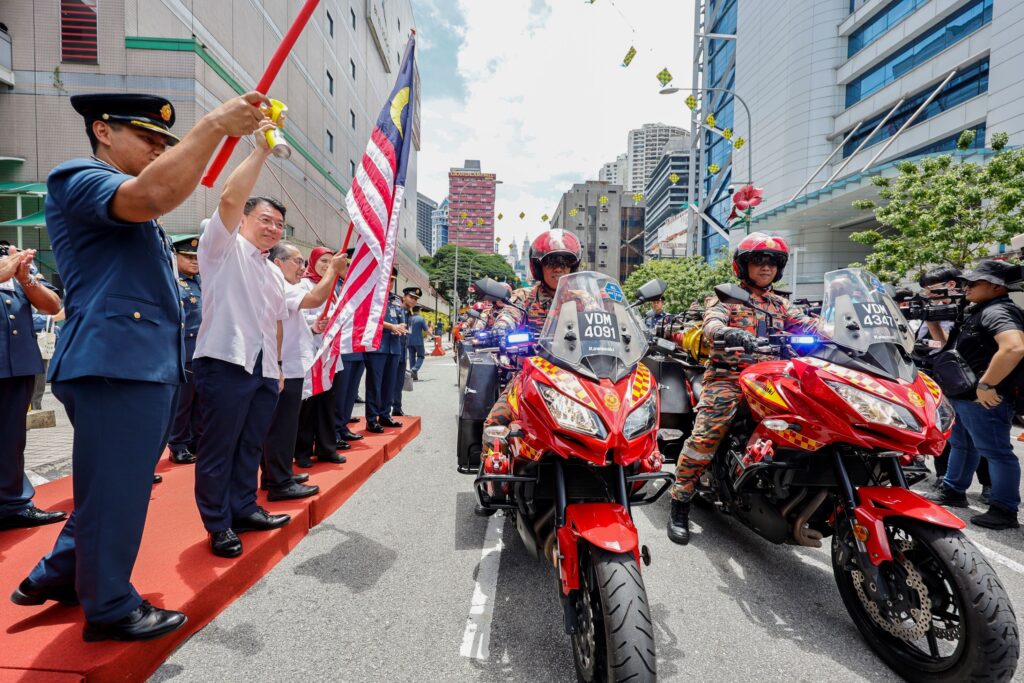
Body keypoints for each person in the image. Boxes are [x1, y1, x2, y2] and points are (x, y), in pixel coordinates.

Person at [14, 91, 267, 641]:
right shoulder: (78, 176)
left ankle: (56, 575)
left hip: (139, 364)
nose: (158, 150)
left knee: (114, 485)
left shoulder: (125, 195)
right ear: (103, 131)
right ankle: (108, 607)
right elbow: (153, 194)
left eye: (163, 142)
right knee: (117, 491)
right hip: (115, 362)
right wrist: (215, 126)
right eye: (148, 139)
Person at [667, 233, 819, 545]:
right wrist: (729, 334)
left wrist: (849, 331)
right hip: (730, 378)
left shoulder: (781, 305)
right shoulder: (728, 298)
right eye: (758, 260)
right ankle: (680, 500)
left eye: (772, 262)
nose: (766, 267)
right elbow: (712, 324)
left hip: (774, 379)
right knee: (707, 435)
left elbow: (812, 326)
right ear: (743, 265)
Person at [192, 127, 294, 559]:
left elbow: (275, 320)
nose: (272, 228)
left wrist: (279, 369)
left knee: (250, 444)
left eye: (279, 224)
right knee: (219, 447)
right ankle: (217, 524)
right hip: (225, 362)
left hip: (263, 370)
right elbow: (230, 198)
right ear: (246, 220)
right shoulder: (221, 247)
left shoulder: (273, 270)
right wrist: (260, 150)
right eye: (265, 220)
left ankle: (244, 508)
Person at [477, 230, 583, 515]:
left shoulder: (585, 299)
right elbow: (509, 314)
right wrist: (501, 328)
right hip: (529, 376)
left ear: (574, 266)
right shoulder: (525, 296)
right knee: (496, 421)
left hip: (578, 379)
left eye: (565, 261)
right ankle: (493, 485)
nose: (559, 267)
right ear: (539, 266)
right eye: (551, 262)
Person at [926, 260, 1024, 530]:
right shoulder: (979, 310)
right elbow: (949, 345)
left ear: (996, 286)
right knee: (962, 445)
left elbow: (1014, 348)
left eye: (974, 282)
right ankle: (954, 490)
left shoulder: (999, 311)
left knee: (996, 452)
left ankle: (1004, 509)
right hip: (964, 394)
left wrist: (987, 385)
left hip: (982, 397)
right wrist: (933, 319)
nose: (966, 286)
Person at [261, 242, 347, 500]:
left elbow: (294, 326)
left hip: (293, 364)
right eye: (297, 262)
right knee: (282, 427)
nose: (302, 268)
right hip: (285, 366)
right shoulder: (280, 286)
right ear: (278, 263)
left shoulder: (286, 287)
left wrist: (313, 329)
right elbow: (315, 298)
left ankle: (278, 473)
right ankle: (279, 483)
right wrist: (333, 270)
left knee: (285, 425)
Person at [0, 247, 65, 531]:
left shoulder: (10, 257)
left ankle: (13, 505)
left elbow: (52, 305)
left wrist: (26, 278)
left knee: (11, 440)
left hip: (18, 363)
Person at [296, 246, 349, 466]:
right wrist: (315, 325)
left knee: (328, 404)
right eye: (323, 261)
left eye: (331, 262)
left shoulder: (332, 289)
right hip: (310, 353)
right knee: (308, 405)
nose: (327, 266)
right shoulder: (304, 285)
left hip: (329, 355)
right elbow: (298, 318)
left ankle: (327, 448)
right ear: (313, 261)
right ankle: (302, 452)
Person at [167, 234, 203, 465]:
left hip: (203, 351)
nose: (194, 261)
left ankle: (195, 440)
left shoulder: (201, 281)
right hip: (184, 352)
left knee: (200, 402)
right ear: (175, 257)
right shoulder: (172, 282)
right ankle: (178, 444)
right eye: (188, 257)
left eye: (196, 257)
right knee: (183, 403)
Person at [364, 270, 407, 432]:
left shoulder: (396, 300)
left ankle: (385, 414)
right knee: (375, 384)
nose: (390, 283)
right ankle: (371, 418)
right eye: (386, 279)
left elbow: (402, 320)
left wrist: (401, 327)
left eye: (392, 280)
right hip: (378, 347)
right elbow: (369, 320)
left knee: (390, 383)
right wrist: (391, 327)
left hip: (394, 347)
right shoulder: (372, 297)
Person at [333, 247, 367, 444]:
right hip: (342, 347)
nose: (351, 268)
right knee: (339, 393)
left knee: (350, 391)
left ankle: (343, 426)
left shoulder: (358, 287)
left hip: (357, 346)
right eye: (348, 265)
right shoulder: (335, 286)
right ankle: (334, 432)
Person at [391, 286, 420, 416]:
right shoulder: (398, 309)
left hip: (403, 350)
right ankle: (386, 409)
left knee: (398, 381)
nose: (413, 300)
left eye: (416, 299)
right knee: (390, 381)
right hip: (393, 349)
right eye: (411, 297)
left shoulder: (409, 313)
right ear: (404, 297)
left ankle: (397, 407)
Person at [408, 304, 428, 380]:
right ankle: (414, 369)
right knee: (421, 356)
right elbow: (426, 330)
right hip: (418, 341)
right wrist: (433, 336)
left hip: (409, 341)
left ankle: (413, 376)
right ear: (419, 310)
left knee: (411, 357)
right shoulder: (421, 319)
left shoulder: (409, 318)